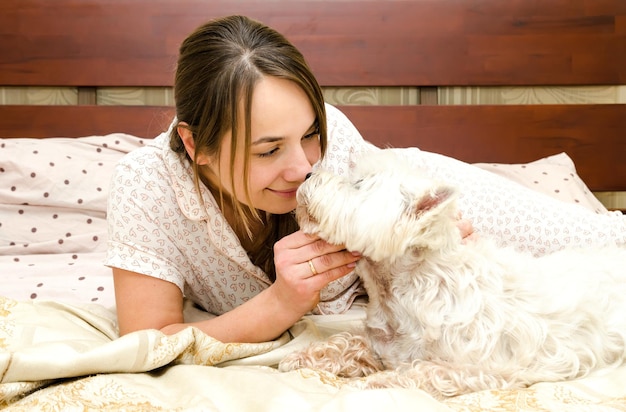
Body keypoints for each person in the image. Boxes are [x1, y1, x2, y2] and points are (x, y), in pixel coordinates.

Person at [105, 15, 626, 343]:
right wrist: (283, 302)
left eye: (311, 134)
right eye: (268, 150)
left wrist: (431, 244)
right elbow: (152, 342)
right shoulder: (146, 190)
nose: (305, 167)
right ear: (198, 147)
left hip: (419, 203)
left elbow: (390, 226)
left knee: (607, 236)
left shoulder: (335, 148)